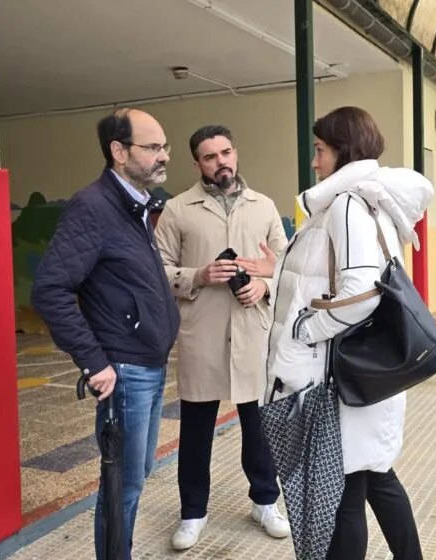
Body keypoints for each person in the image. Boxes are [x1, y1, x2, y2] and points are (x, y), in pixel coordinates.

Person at [237, 106, 430, 559]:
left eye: (320, 150)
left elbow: (361, 292)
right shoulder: (367, 201)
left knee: (349, 489)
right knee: (374, 477)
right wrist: (280, 267)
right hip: (359, 376)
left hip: (340, 376)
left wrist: (307, 328)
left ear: (342, 152)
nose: (314, 160)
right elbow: (331, 274)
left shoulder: (346, 205)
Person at [30, 107, 180, 560]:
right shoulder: (93, 206)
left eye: (165, 147)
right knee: (122, 485)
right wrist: (94, 362)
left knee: (136, 475)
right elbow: (50, 290)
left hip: (148, 366)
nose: (164, 156)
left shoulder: (136, 205)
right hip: (125, 369)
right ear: (118, 152)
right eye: (153, 147)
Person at [154, 125, 291, 550]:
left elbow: (287, 264)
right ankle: (193, 512)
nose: (221, 162)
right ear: (197, 164)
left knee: (259, 425)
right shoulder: (178, 210)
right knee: (195, 430)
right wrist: (198, 275)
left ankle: (265, 501)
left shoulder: (264, 206)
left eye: (226, 152)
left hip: (253, 332)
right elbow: (156, 271)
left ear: (236, 154)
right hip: (204, 333)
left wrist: (265, 286)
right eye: (210, 157)